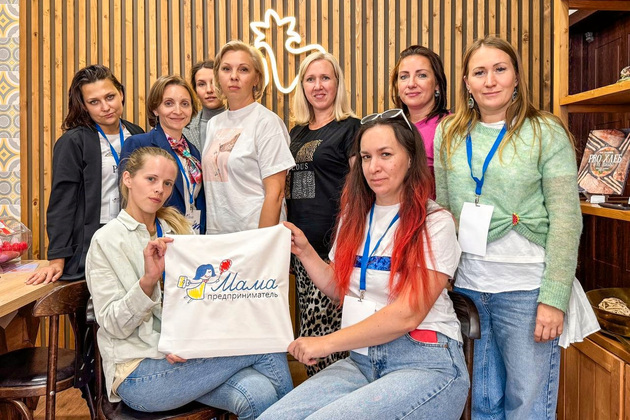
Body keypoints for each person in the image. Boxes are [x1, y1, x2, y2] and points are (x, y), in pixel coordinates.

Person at [259, 114, 469, 420]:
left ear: (411, 159)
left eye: (386, 155)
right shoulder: (353, 217)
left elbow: (408, 313)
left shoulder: (435, 222)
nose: (374, 167)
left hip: (424, 362)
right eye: (367, 157)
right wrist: (305, 252)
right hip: (362, 360)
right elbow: (339, 289)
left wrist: (326, 343)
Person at [434, 36, 582, 419]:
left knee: (527, 406)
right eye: (479, 72)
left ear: (516, 76)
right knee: (482, 404)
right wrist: (444, 278)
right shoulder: (448, 133)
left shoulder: (545, 131)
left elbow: (566, 220)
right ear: (466, 82)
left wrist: (554, 298)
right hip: (470, 288)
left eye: (500, 69)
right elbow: (445, 212)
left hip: (527, 293)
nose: (490, 81)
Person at [85, 146, 293, 418]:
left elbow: (201, 300)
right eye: (151, 179)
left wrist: (190, 339)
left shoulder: (177, 229)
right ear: (128, 179)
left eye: (167, 183)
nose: (159, 189)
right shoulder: (106, 241)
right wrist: (148, 281)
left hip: (189, 358)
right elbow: (113, 324)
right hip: (138, 373)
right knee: (267, 343)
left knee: (259, 392)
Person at [26, 65, 144, 285]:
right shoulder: (73, 142)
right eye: (94, 102)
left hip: (132, 237)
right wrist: (57, 259)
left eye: (110, 97)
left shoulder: (137, 135)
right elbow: (62, 203)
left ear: (121, 94)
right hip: (92, 241)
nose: (105, 107)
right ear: (84, 106)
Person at [286, 52, 360, 376]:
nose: (318, 86)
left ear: (337, 84)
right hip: (302, 249)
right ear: (302, 87)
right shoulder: (296, 133)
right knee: (311, 340)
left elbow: (360, 191)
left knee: (332, 345)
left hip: (334, 251)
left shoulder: (351, 128)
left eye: (325, 78)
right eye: (310, 79)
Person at [202, 40, 295, 234]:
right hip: (219, 236)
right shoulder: (214, 124)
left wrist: (260, 243)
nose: (233, 76)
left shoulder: (267, 123)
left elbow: (276, 194)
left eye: (243, 69)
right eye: (226, 69)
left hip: (255, 236)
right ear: (218, 76)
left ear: (256, 79)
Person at [121, 75, 206, 234]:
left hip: (192, 235)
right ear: (155, 109)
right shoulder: (139, 144)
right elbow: (127, 199)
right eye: (168, 103)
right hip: (156, 236)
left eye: (185, 104)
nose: (178, 111)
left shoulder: (193, 152)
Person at [390, 45, 449, 176]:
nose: (411, 84)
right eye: (404, 77)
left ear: (437, 84)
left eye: (421, 75)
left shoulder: (451, 127)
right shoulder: (388, 128)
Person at [183, 60, 226, 152]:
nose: (209, 90)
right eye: (201, 84)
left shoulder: (240, 123)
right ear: (195, 91)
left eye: (214, 82)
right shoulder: (184, 127)